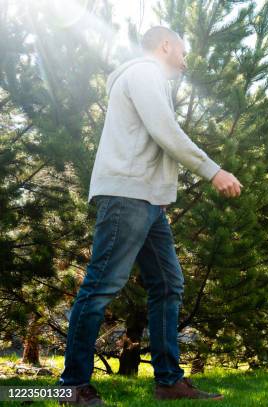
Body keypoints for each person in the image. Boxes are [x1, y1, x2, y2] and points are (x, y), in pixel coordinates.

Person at [58, 26, 242, 405]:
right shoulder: (143, 72)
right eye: (183, 51)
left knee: (168, 284)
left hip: (148, 202)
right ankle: (72, 385)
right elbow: (166, 132)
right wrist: (214, 171)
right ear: (166, 45)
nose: (186, 60)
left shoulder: (152, 79)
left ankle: (168, 382)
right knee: (100, 288)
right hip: (127, 195)